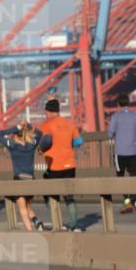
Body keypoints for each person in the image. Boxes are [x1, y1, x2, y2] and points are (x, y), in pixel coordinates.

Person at [38, 98, 84, 231]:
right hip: (70, 165)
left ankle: (58, 223)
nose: (45, 115)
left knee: (50, 195)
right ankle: (74, 225)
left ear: (50, 112)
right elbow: (79, 141)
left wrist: (41, 149)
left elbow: (45, 141)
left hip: (54, 166)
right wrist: (66, 144)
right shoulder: (69, 124)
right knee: (69, 196)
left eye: (46, 112)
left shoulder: (46, 124)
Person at [0, 122, 44, 231]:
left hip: (19, 179)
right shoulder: (32, 144)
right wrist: (29, 126)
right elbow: (39, 133)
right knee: (27, 205)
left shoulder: (12, 145)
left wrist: (15, 127)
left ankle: (31, 233)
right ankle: (37, 221)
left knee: (22, 210)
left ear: (15, 135)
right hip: (31, 180)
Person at [107, 94, 136, 214]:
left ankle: (127, 202)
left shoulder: (115, 116)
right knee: (134, 177)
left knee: (120, 178)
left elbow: (110, 134)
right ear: (128, 103)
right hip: (133, 151)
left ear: (118, 105)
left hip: (120, 153)